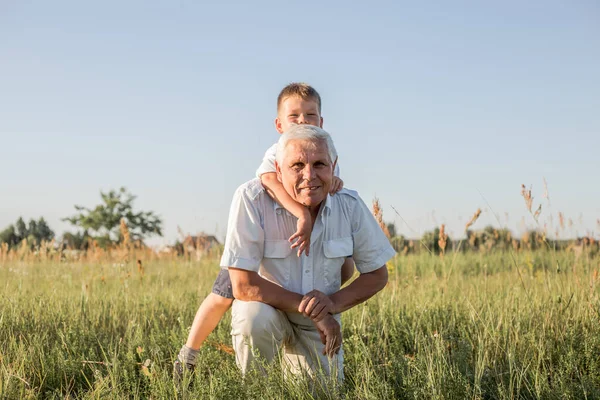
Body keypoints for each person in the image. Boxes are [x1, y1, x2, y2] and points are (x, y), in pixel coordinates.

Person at [174, 83, 355, 379]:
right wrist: (301, 214)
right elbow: (270, 180)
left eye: (310, 115)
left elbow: (327, 175)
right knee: (224, 295)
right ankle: (189, 353)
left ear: (321, 122)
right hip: (264, 243)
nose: (302, 121)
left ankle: (298, 350)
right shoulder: (276, 151)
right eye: (293, 116)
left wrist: (335, 182)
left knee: (342, 265)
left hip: (300, 258)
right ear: (279, 124)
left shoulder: (322, 146)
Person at [224, 124, 395, 380]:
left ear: (333, 166)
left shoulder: (349, 205)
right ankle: (254, 389)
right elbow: (243, 285)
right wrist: (315, 310)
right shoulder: (250, 198)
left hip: (319, 320)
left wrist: (332, 304)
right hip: (270, 309)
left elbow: (377, 275)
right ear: (278, 171)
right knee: (252, 317)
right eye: (297, 166)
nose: (309, 175)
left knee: (322, 394)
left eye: (319, 164)